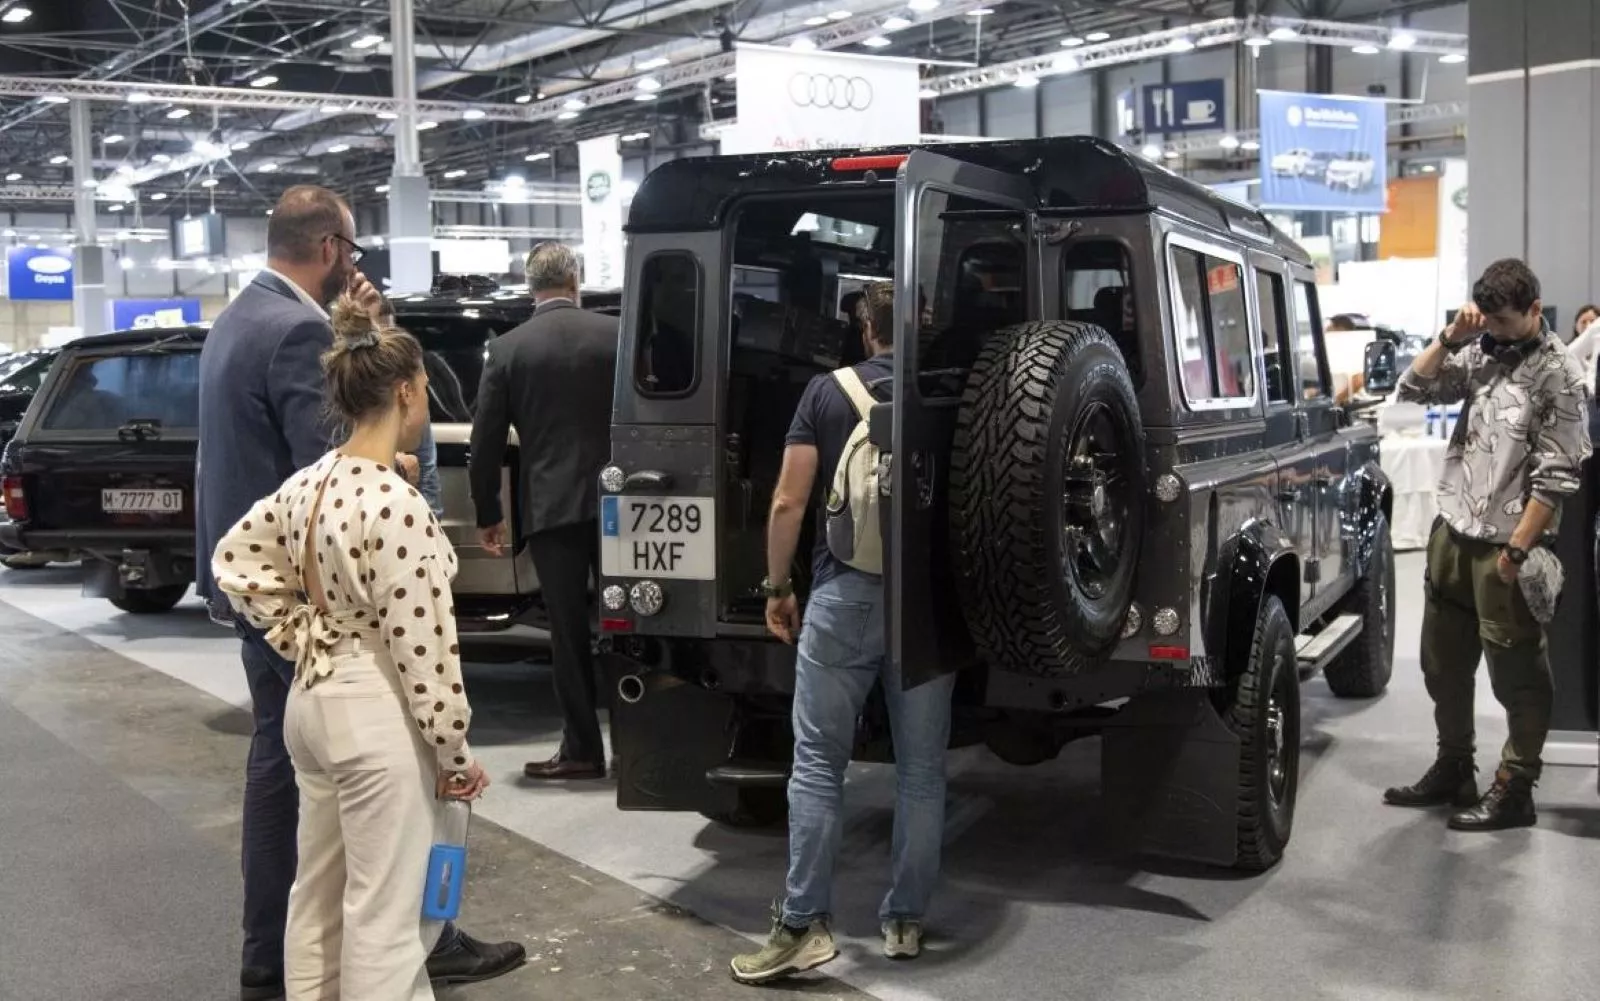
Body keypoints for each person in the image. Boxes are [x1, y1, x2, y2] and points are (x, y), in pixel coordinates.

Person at [195, 184, 522, 1001]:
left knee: (319, 890)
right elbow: (426, 652)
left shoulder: (245, 347)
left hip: (314, 688)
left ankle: (283, 976)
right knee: (383, 915)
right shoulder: (391, 500)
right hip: (368, 702)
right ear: (406, 394)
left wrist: (300, 630)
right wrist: (454, 757)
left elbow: (236, 556)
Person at [731, 282, 957, 984]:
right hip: (927, 606)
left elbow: (788, 499)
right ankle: (905, 919)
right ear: (923, 326)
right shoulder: (947, 395)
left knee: (819, 764)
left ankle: (804, 924)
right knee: (922, 771)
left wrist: (777, 587)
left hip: (843, 596)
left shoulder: (825, 395)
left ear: (866, 328)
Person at [1383, 259, 1591, 831]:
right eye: (1489, 321)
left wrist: (1516, 554)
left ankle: (1515, 788)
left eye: (1504, 321)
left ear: (1533, 307)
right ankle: (1455, 767)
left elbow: (1557, 476)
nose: (1495, 330)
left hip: (1506, 546)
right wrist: (1453, 336)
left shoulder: (1559, 373)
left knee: (1518, 673)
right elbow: (1410, 393)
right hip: (1452, 534)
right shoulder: (1478, 352)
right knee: (1442, 666)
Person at [469, 242, 618, 781]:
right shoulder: (616, 335)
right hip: (619, 503)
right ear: (575, 279)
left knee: (568, 630)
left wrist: (489, 513)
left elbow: (484, 441)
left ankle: (581, 750)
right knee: (628, 621)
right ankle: (639, 742)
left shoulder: (508, 350)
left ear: (531, 287)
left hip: (552, 507)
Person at [1564, 304, 1600, 391]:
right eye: (1583, 322)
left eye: (1592, 321)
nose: (1588, 326)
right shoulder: (1566, 349)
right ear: (1576, 326)